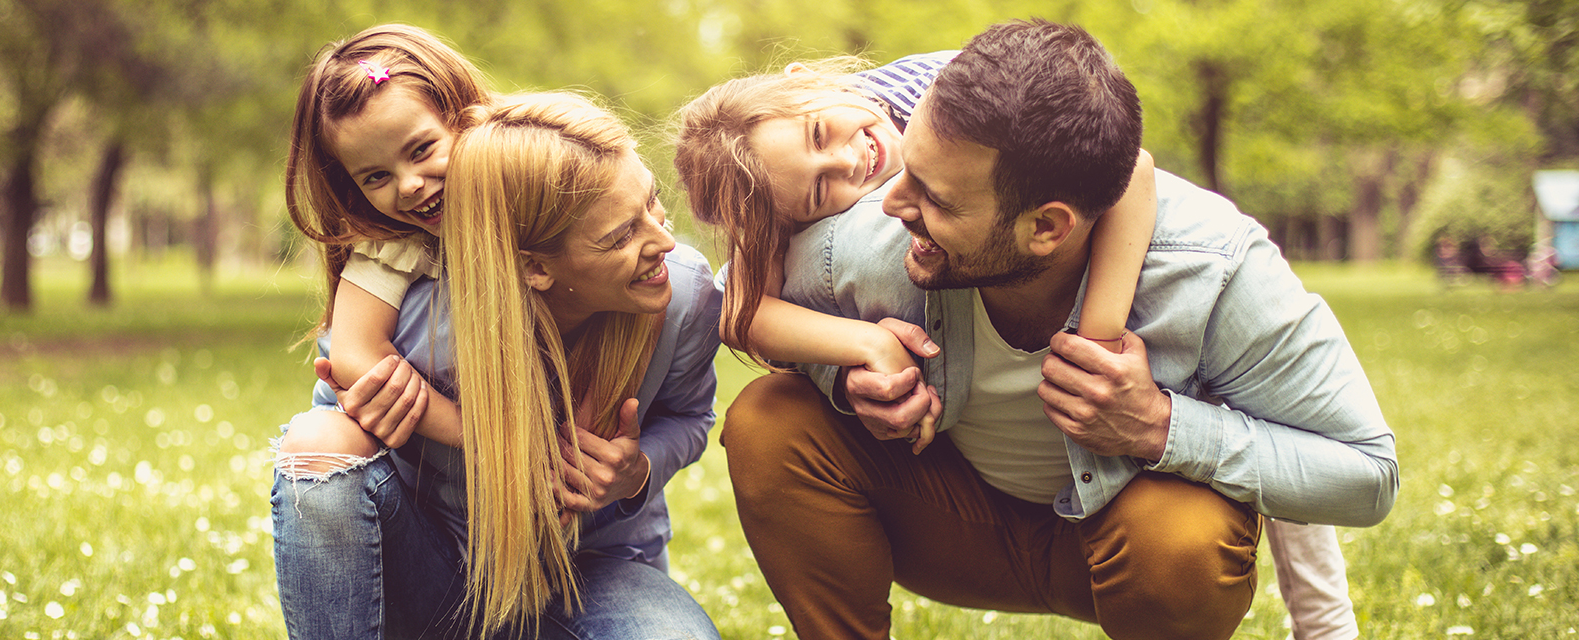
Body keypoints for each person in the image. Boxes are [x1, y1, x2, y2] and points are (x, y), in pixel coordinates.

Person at [717, 19, 1396, 640]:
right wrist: (854, 367)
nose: (889, 202)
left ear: (1047, 227)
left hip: (1124, 540)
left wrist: (1160, 425)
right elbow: (736, 304)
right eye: (907, 175)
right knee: (769, 420)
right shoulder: (875, 228)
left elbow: (1367, 475)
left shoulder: (1211, 268)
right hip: (957, 523)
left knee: (1182, 540)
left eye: (935, 198)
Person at [271, 90, 723, 639]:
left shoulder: (683, 293)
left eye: (650, 204)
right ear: (535, 267)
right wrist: (364, 408)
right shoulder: (416, 315)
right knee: (318, 439)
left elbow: (690, 416)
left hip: (589, 571)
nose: (665, 241)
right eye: (621, 236)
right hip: (436, 566)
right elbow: (328, 445)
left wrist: (637, 470)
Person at [674, 51, 1155, 455]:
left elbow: (1132, 168)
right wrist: (869, 344)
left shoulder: (946, 91)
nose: (847, 160)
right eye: (820, 190)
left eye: (819, 132)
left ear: (809, 81)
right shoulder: (777, 184)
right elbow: (744, 314)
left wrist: (1098, 344)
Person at [281, 23, 485, 456]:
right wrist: (474, 434)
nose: (409, 185)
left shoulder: (527, 202)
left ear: (466, 118)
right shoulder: (392, 243)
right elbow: (354, 355)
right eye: (376, 176)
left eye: (421, 150)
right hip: (374, 462)